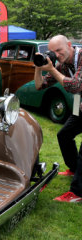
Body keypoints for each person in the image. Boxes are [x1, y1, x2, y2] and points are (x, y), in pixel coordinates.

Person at [34, 35, 82, 202]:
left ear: (69, 45)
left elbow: (75, 85)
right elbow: (40, 86)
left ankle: (77, 193)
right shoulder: (63, 65)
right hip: (80, 105)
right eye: (52, 52)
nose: (56, 55)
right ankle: (75, 168)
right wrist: (38, 66)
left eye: (59, 50)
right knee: (64, 135)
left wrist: (52, 69)